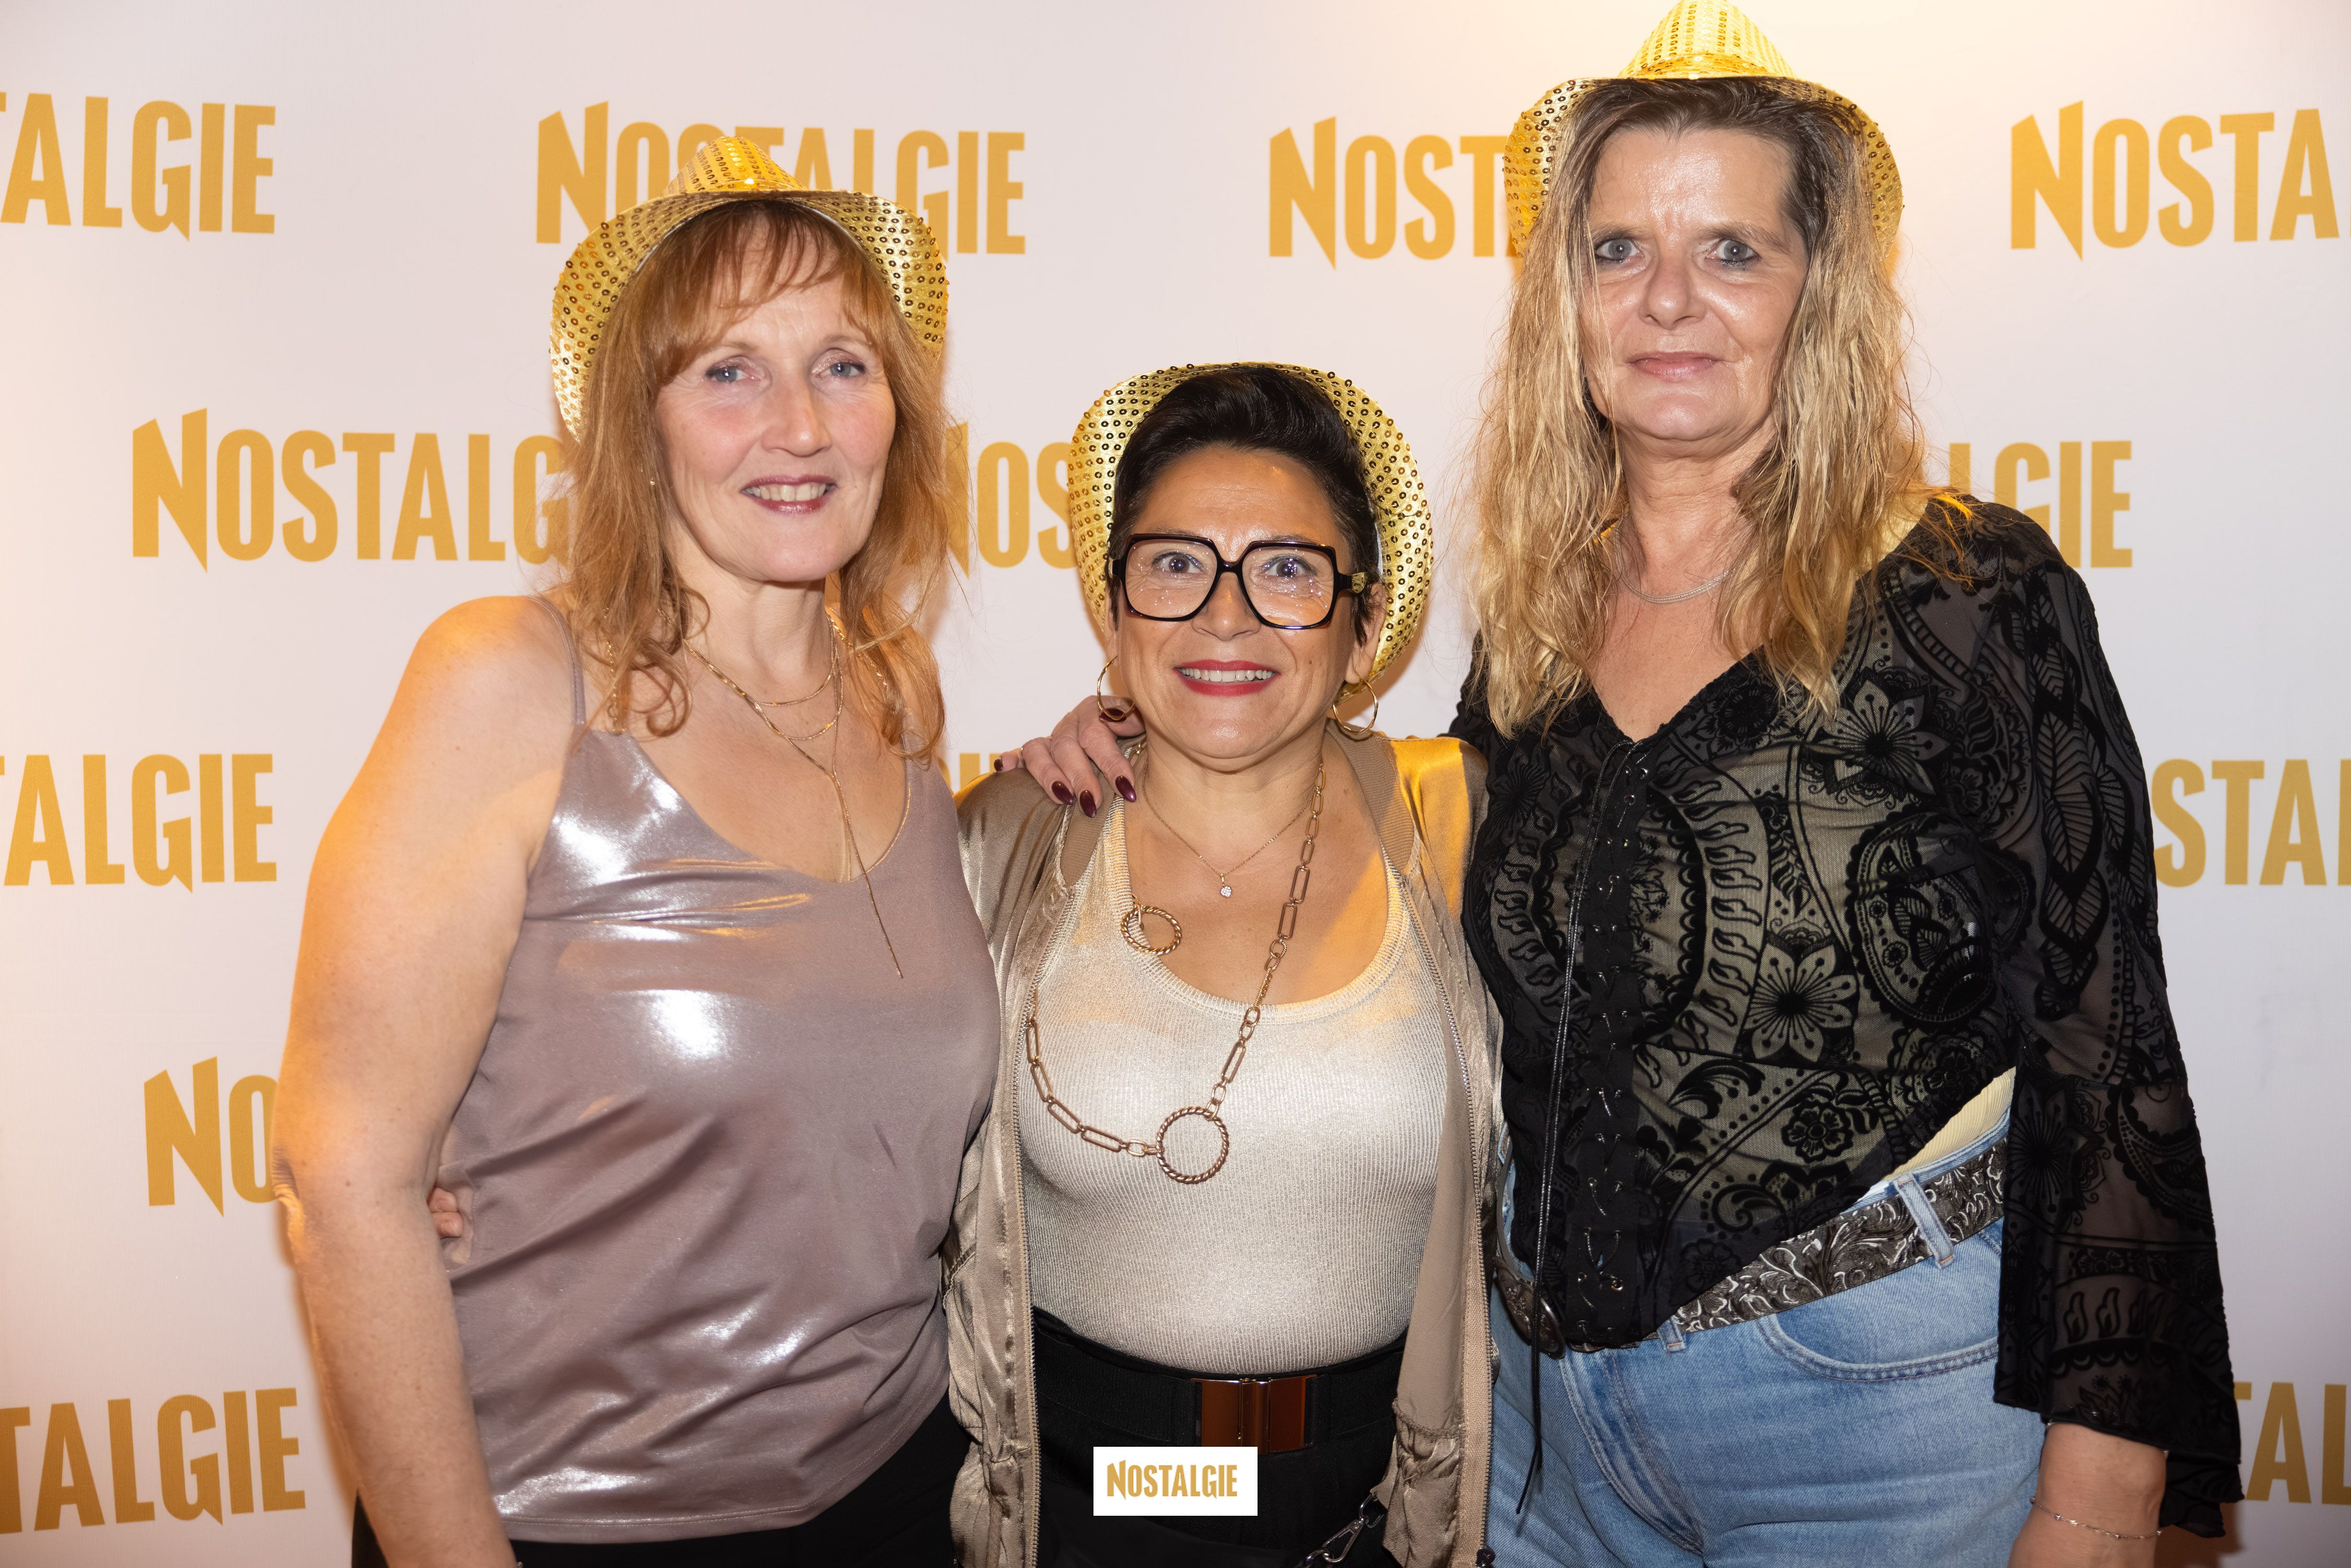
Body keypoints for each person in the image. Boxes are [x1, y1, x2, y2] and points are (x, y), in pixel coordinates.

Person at [1001, 4, 2239, 1563]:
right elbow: (1345, 803)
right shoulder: (1534, 628)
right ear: (1563, 300)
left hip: (1872, 1428)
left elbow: (2110, 1056)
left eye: (1732, 250)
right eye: (1615, 250)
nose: (1667, 299)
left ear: (1817, 292)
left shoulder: (1964, 592)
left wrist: (2097, 1495)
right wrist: (1141, 726)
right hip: (1544, 1440)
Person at [272, 138, 994, 1567]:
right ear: (636, 424)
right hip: (570, 1527)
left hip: (899, 1490)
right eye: (728, 370)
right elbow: (345, 1182)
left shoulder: (897, 693)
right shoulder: (513, 679)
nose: (799, 424)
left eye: (842, 365)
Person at [950, 364, 1499, 1568]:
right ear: (1114, 611)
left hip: (1385, 1498)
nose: (1226, 616)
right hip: (1093, 1493)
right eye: (1176, 565)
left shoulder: (1462, 823)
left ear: (1364, 626)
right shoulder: (1008, 838)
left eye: (1288, 570)